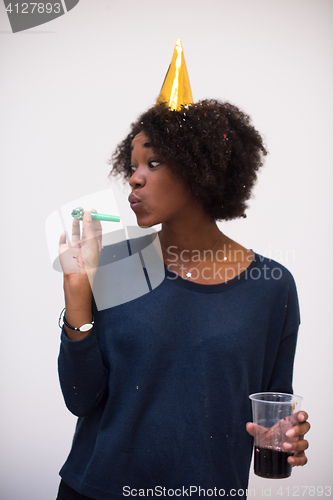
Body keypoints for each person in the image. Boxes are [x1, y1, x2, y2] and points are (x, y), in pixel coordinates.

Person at [56, 98, 310, 500]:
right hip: (95, 491)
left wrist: (282, 435)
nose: (135, 179)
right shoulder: (113, 265)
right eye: (134, 166)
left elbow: (272, 406)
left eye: (153, 163)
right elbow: (80, 398)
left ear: (201, 169)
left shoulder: (272, 286)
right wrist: (77, 291)